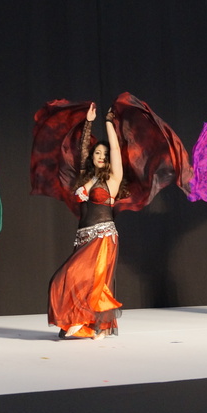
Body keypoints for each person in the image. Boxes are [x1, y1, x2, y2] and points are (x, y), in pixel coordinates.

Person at [47, 103, 124, 339]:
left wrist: (109, 123)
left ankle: (92, 323)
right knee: (67, 280)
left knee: (92, 281)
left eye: (104, 154)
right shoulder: (86, 177)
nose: (101, 156)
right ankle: (84, 322)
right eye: (97, 153)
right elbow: (82, 152)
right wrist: (88, 122)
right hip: (84, 237)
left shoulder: (113, 179)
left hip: (102, 237)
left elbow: (115, 150)